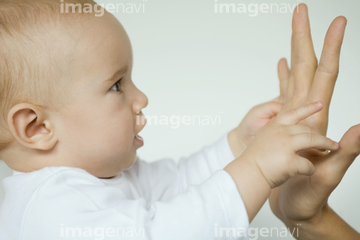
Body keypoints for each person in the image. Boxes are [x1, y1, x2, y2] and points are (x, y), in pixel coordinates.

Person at [0, 1, 356, 240]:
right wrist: (257, 168)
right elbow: (167, 232)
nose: (141, 99)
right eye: (117, 85)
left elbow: (180, 183)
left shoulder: (102, 175)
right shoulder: (50, 209)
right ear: (37, 127)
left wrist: (241, 144)